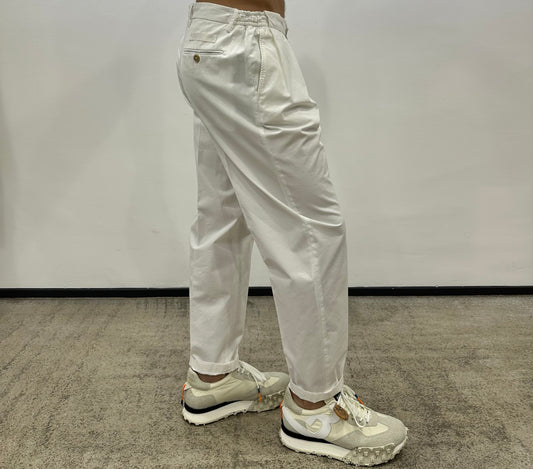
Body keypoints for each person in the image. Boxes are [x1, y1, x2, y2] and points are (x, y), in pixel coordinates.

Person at [175, 1, 408, 465]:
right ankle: (315, 407)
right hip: (244, 44)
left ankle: (212, 375)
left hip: (211, 39)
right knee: (311, 228)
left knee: (223, 215)